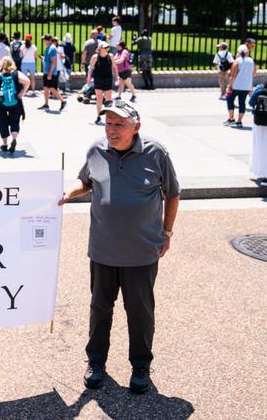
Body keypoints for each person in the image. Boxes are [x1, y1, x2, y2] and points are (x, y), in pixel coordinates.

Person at [59, 100, 180, 395]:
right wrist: (67, 193)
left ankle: (140, 366)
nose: (111, 130)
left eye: (119, 124)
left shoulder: (156, 152)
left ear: (136, 128)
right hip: (102, 249)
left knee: (139, 311)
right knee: (100, 308)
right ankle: (96, 362)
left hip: (141, 252)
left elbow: (173, 194)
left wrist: (167, 232)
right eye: (108, 123)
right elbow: (85, 182)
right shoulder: (96, 150)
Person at [0, 56, 30, 153]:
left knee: (2, 122)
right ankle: (14, 138)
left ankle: (5, 144)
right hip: (15, 101)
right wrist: (22, 93)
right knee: (15, 121)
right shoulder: (16, 73)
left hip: (1, 103)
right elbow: (27, 81)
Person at [86, 42, 118, 125]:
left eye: (107, 47)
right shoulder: (95, 57)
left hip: (108, 78)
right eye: (105, 47)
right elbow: (90, 69)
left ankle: (109, 117)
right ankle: (98, 116)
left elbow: (114, 67)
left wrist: (116, 77)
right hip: (98, 78)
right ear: (100, 48)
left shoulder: (110, 56)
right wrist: (88, 79)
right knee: (99, 97)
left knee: (108, 98)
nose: (107, 48)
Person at [225, 44, 255, 128]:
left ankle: (231, 118)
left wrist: (229, 85)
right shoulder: (251, 61)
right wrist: (251, 87)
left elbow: (233, 75)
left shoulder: (237, 61)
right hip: (246, 86)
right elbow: (253, 74)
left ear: (238, 52)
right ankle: (239, 121)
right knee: (242, 103)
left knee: (230, 99)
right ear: (247, 52)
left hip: (236, 85)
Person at [40, 35, 67, 112]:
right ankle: (46, 104)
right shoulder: (48, 47)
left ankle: (63, 101)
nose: (43, 41)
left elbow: (54, 61)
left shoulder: (52, 48)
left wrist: (50, 73)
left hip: (50, 72)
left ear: (48, 40)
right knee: (45, 88)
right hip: (46, 72)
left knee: (52, 88)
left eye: (44, 40)